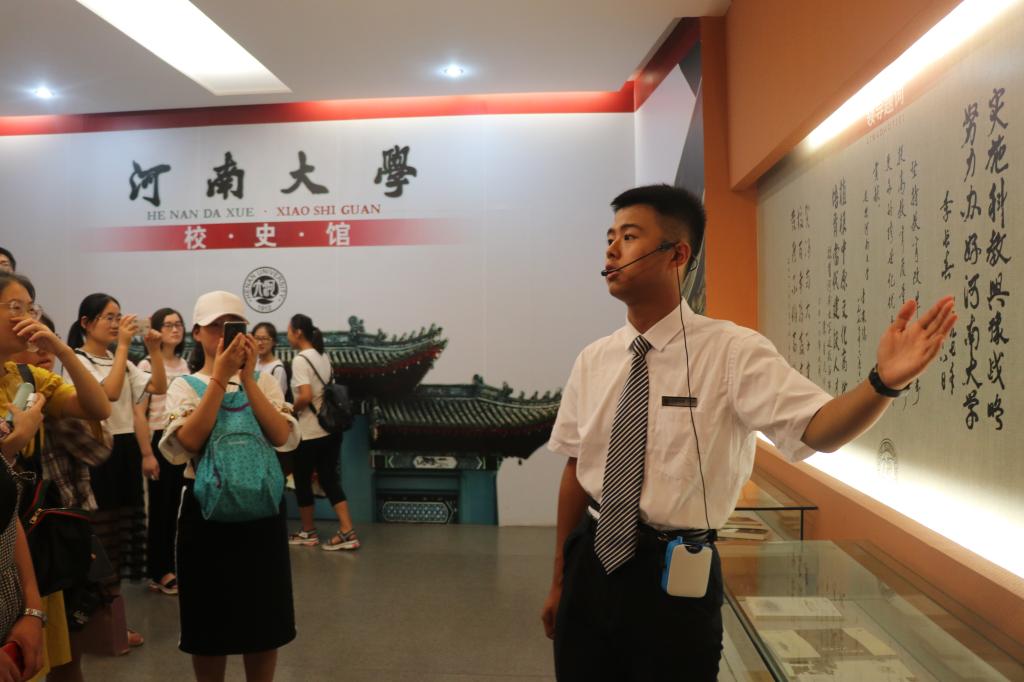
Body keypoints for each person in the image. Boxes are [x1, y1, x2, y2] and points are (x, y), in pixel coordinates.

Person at [540, 184, 956, 680]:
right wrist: (559, 580)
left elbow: (819, 429)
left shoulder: (732, 351)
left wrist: (883, 383)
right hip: (590, 562)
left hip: (674, 575)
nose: (612, 250)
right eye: (609, 237)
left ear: (677, 254)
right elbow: (576, 469)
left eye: (629, 237)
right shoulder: (594, 359)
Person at [159, 291, 299, 682]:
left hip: (262, 509)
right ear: (198, 332)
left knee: (264, 619)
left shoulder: (265, 381)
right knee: (208, 621)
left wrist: (248, 379)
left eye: (234, 326)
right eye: (216, 326)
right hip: (205, 513)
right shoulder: (185, 385)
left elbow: (280, 435)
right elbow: (190, 441)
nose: (225, 334)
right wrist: (220, 378)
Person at [0, 272, 111, 681]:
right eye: (15, 308)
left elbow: (98, 407)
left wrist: (61, 349)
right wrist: (15, 443)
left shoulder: (27, 376)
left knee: (44, 659)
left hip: (27, 535)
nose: (26, 318)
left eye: (31, 309)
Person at [64, 293, 167, 649]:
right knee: (101, 541)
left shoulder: (118, 358)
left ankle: (113, 622)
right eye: (108, 317)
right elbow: (107, 394)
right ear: (86, 323)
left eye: (118, 317)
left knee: (121, 541)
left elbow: (158, 387)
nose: (115, 323)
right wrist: (123, 345)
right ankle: (99, 624)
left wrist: (153, 350)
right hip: (97, 452)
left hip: (124, 450)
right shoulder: (77, 360)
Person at [286, 314, 358, 551]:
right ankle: (347, 530)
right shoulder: (323, 356)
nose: (288, 335)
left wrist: (289, 409)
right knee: (328, 478)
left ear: (298, 332)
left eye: (289, 330)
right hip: (331, 430)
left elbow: (306, 396)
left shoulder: (300, 360)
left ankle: (308, 532)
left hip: (310, 432)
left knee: (302, 480)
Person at [136, 308, 190, 597]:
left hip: (182, 438)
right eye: (168, 325)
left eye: (178, 324)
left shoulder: (185, 364)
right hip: (158, 438)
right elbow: (139, 412)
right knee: (160, 509)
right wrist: (147, 453)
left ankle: (172, 564)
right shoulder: (146, 364)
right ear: (156, 330)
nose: (175, 329)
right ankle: (159, 570)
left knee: (177, 508)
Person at [253, 323, 288, 400]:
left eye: (264, 339)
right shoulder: (253, 364)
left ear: (274, 342)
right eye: (257, 338)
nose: (260, 343)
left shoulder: (277, 369)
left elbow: (278, 399)